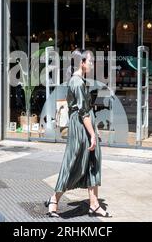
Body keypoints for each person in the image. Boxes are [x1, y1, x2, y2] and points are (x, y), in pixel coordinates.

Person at [45, 50, 111, 218]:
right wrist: (93, 134)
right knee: (73, 161)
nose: (91, 64)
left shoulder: (79, 80)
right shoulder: (76, 82)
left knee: (92, 160)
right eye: (90, 61)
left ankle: (94, 204)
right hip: (81, 126)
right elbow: (83, 112)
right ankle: (54, 199)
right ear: (82, 62)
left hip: (84, 125)